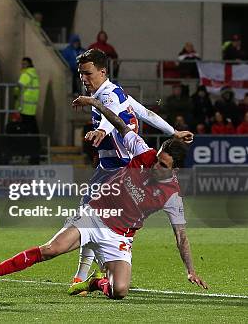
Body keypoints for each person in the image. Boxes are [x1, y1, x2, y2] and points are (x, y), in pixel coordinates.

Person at [0, 96, 208, 300]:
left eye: (163, 165)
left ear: (175, 170)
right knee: (51, 249)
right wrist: (95, 103)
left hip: (119, 236)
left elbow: (181, 237)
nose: (155, 166)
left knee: (120, 291)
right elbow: (120, 123)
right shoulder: (143, 154)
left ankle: (95, 282)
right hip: (94, 215)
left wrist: (191, 270)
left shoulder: (172, 197)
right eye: (157, 159)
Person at [71, 48, 192, 287]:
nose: (84, 78)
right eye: (80, 73)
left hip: (116, 168)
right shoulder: (118, 91)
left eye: (88, 73)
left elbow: (112, 113)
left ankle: (85, 276)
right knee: (94, 217)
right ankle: (94, 274)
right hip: (114, 166)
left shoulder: (109, 95)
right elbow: (146, 113)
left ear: (102, 71)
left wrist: (101, 130)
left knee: (87, 215)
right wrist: (174, 131)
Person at [14, 57, 39, 133]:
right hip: (32, 106)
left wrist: (15, 94)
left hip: (24, 105)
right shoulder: (34, 74)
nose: (22, 65)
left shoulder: (26, 74)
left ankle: (26, 143)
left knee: (24, 126)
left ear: (29, 64)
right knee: (32, 125)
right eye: (22, 64)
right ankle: (36, 142)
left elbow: (19, 87)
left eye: (24, 64)